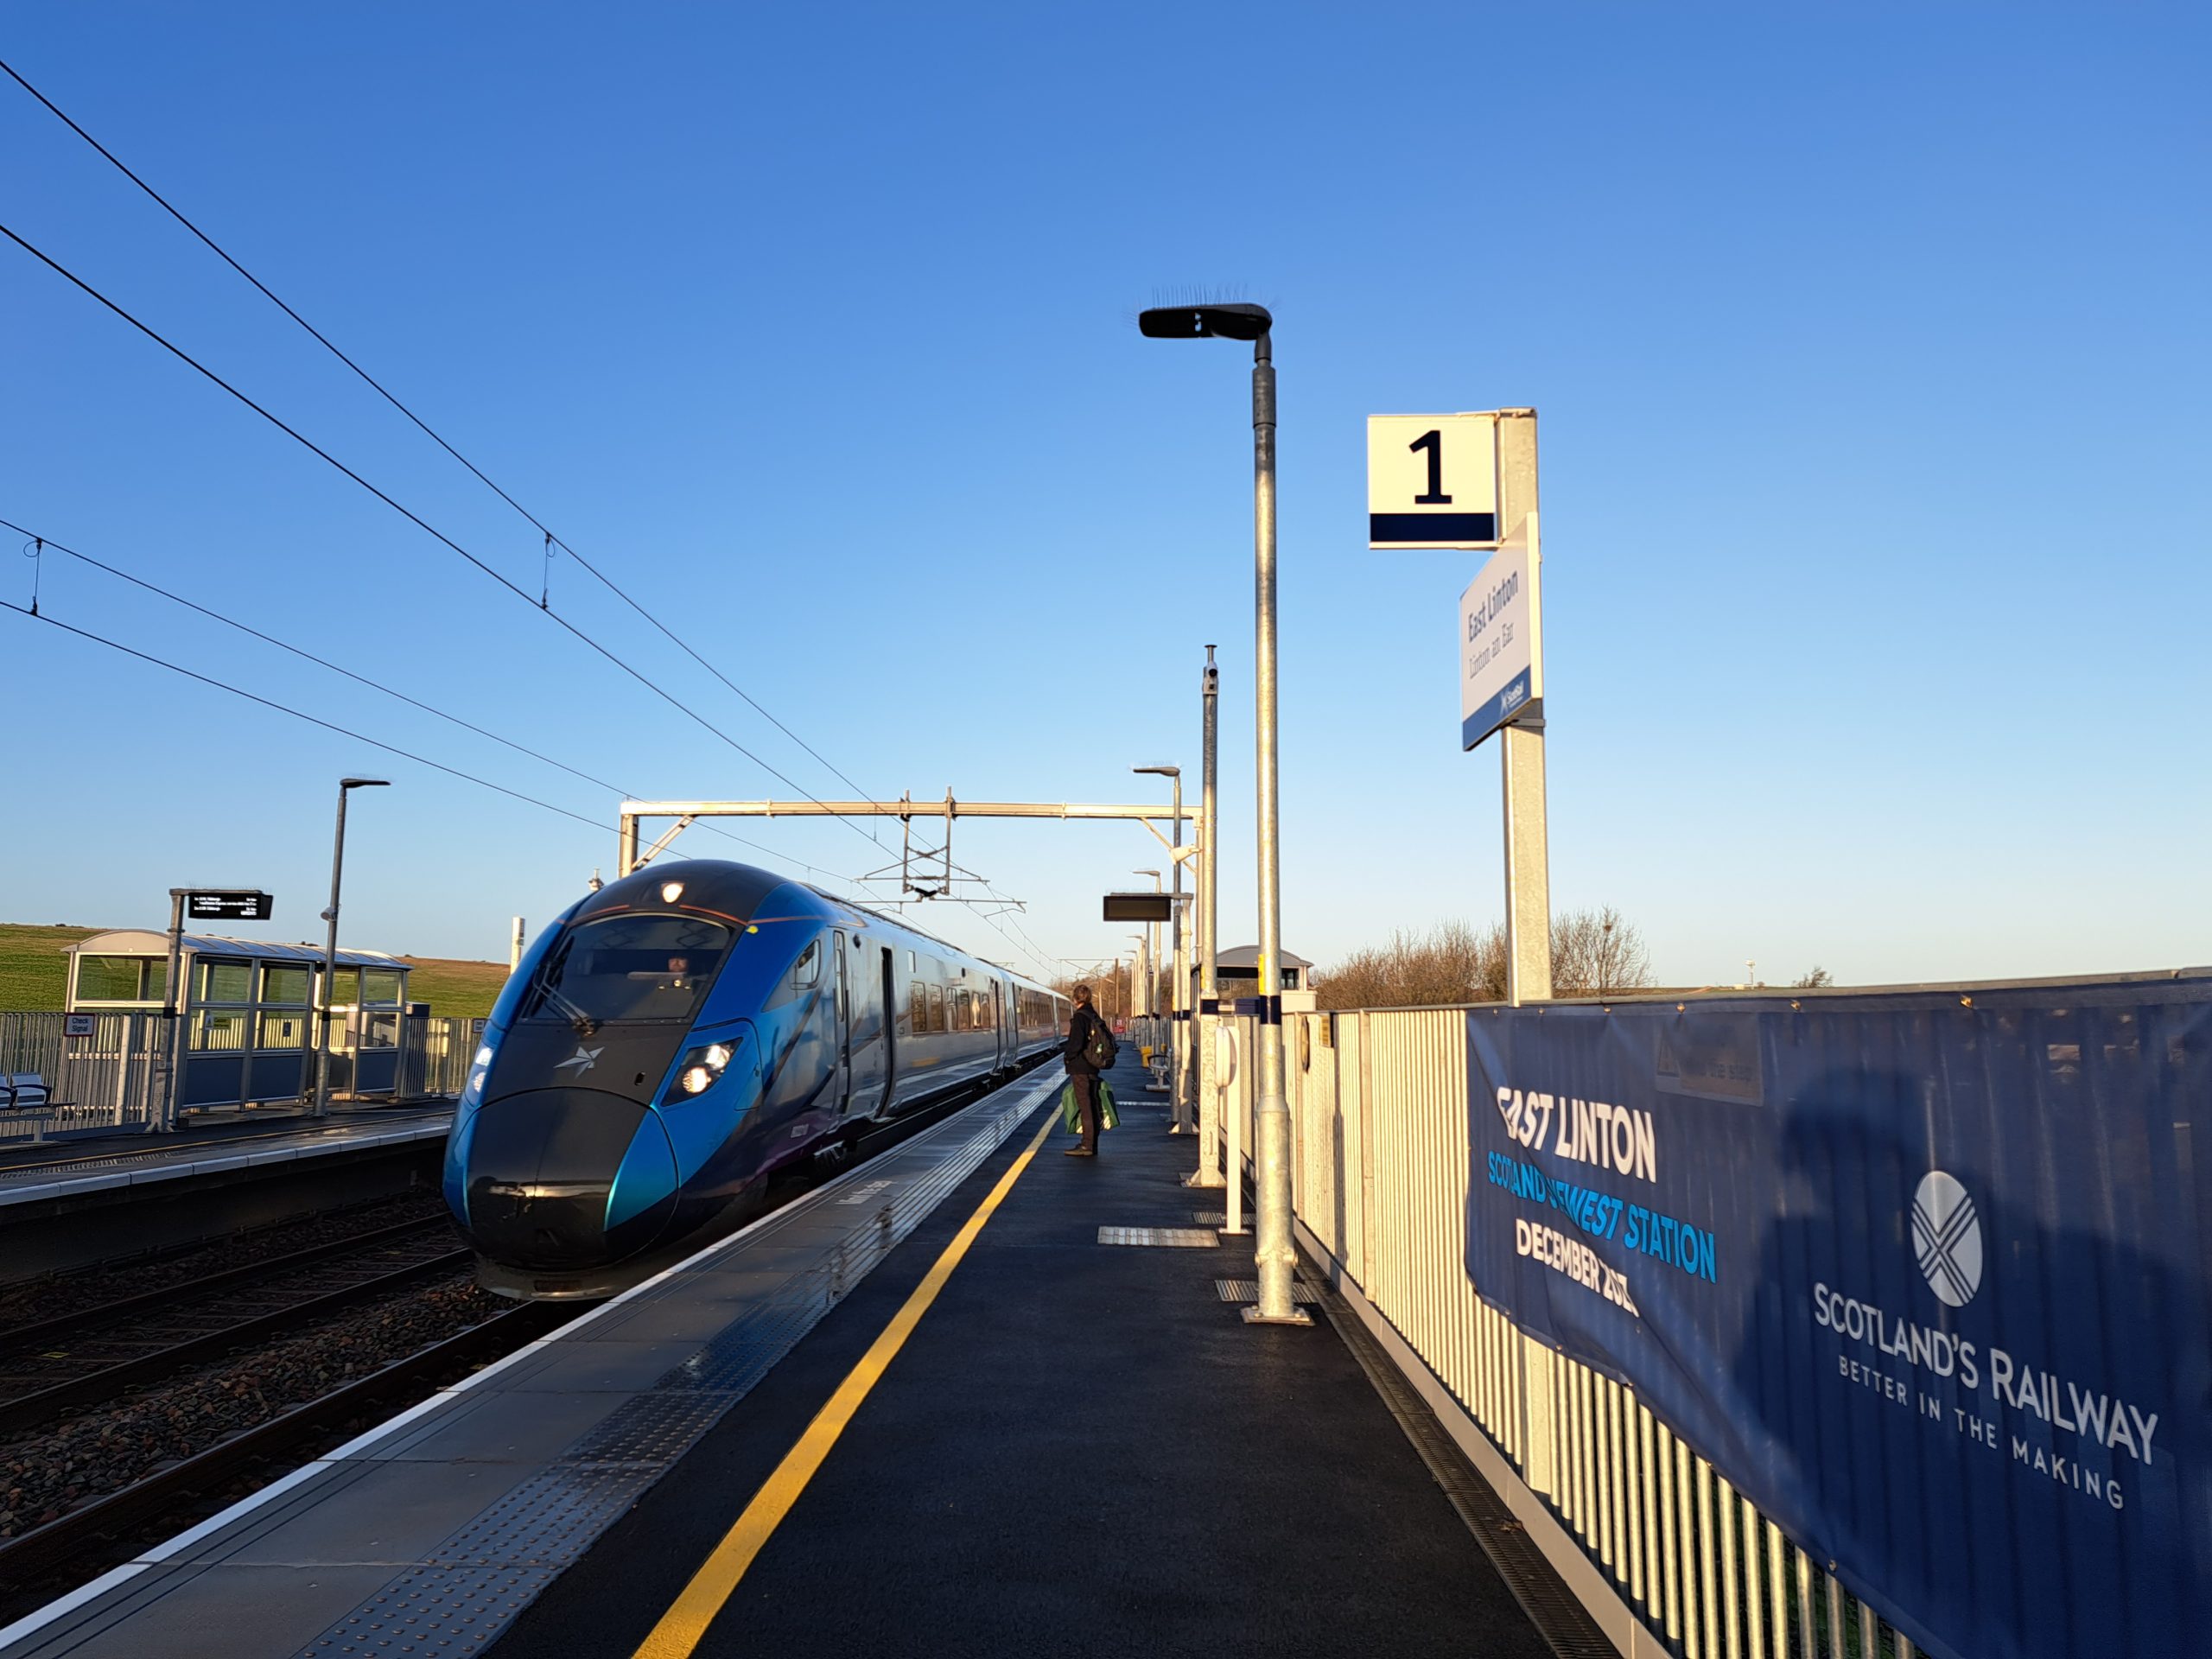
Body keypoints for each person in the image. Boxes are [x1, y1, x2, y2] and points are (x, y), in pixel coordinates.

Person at [1063, 983, 1107, 1157]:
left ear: (1075, 999)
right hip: (1093, 1066)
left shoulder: (1080, 1017)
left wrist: (1068, 1057)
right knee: (1093, 1103)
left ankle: (1086, 1145)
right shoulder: (1093, 1014)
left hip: (1081, 1066)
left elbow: (1076, 1043)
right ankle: (1092, 1143)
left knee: (1085, 1105)